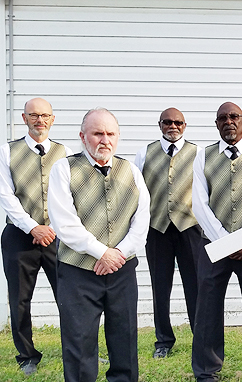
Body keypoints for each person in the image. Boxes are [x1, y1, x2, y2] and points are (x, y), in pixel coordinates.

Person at [48, 108, 150, 382]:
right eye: (97, 133)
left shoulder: (132, 171)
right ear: (83, 136)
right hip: (77, 272)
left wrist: (119, 253)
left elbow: (141, 221)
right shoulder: (64, 169)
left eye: (110, 133)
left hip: (122, 270)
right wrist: (102, 252)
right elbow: (64, 224)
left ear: (117, 137)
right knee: (79, 341)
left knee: (125, 338)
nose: (104, 140)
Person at [191, 102, 242, 382]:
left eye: (234, 117)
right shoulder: (203, 156)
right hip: (213, 245)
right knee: (208, 307)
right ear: (216, 124)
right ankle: (206, 370)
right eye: (223, 118)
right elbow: (199, 204)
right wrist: (226, 241)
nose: (229, 122)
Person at [0, 97, 72, 375]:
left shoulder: (64, 151)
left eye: (44, 115)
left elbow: (67, 195)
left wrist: (52, 227)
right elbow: (6, 196)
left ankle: (76, 349)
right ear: (24, 118)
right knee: (20, 299)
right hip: (19, 236)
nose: (39, 120)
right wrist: (33, 227)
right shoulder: (7, 151)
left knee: (69, 295)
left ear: (52, 119)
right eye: (34, 115)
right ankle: (27, 355)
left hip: (57, 235)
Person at [134, 107, 201, 359]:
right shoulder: (145, 153)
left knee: (195, 284)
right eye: (168, 122)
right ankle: (163, 340)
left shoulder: (199, 154)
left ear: (185, 125)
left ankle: (200, 335)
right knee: (159, 286)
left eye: (178, 123)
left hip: (190, 228)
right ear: (159, 124)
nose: (173, 126)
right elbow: (137, 193)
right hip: (157, 229)